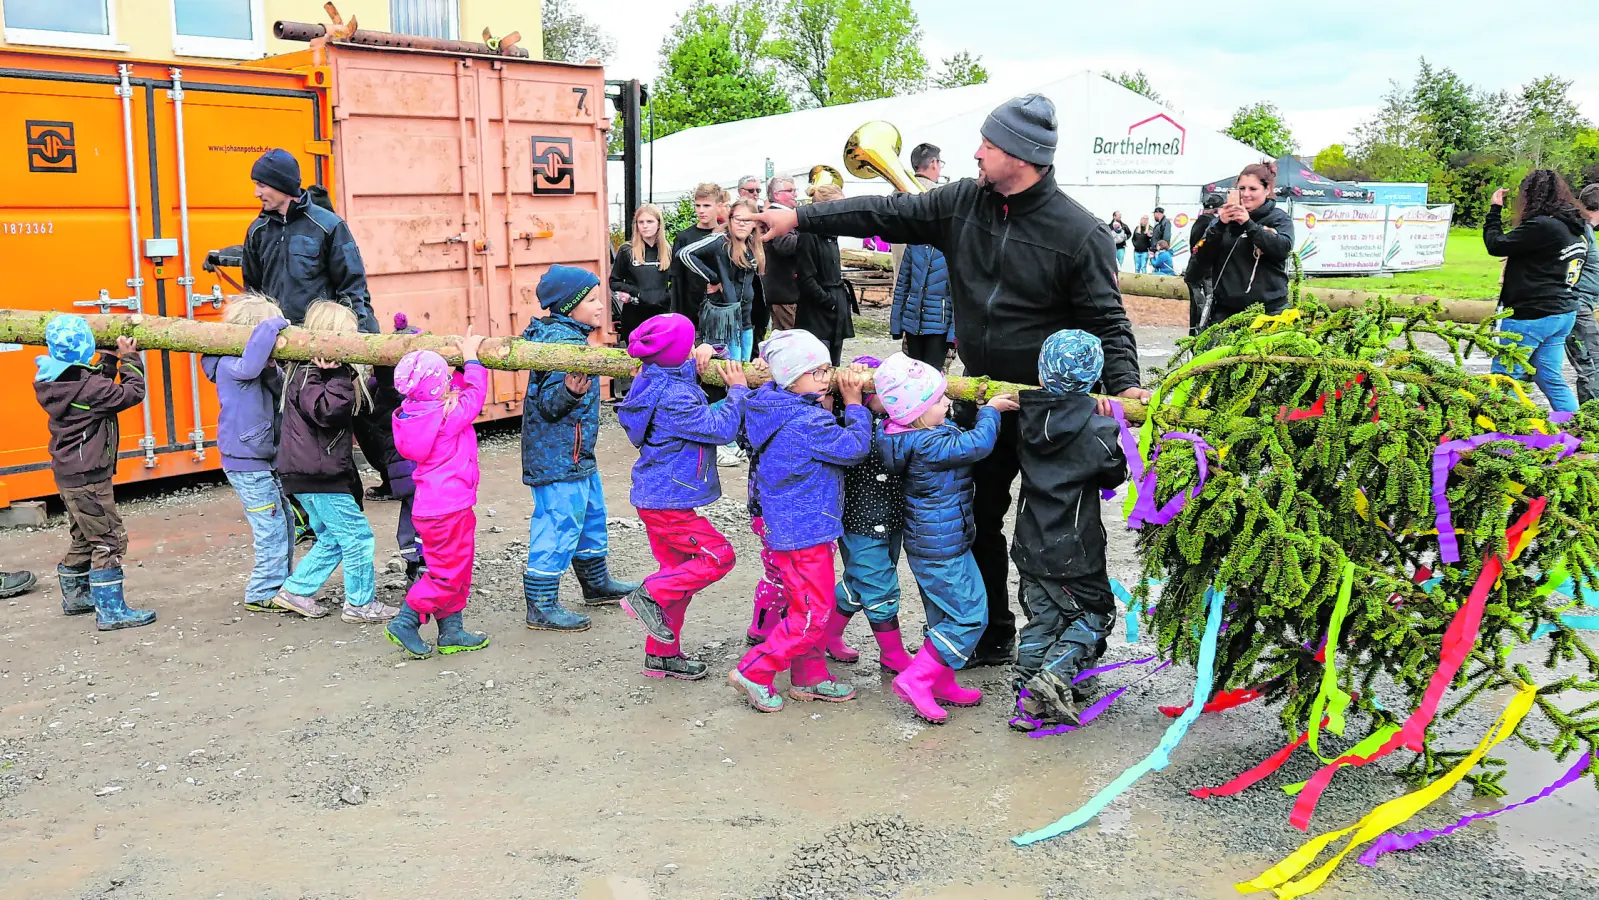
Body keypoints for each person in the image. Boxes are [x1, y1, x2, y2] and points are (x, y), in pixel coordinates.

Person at [753, 93, 1148, 667]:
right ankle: (989, 634)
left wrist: (1127, 383)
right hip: (975, 397)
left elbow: (1108, 321)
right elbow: (884, 212)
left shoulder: (1079, 233)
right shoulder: (963, 202)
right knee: (977, 519)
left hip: (1049, 410)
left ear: (1022, 154)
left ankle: (1056, 641)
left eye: (988, 144)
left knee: (1052, 526)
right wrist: (800, 217)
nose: (977, 153)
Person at [240, 149, 406, 568]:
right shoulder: (257, 232)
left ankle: (401, 492)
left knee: (368, 427)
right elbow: (254, 293)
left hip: (332, 349)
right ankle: (322, 522)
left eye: (262, 183)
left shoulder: (327, 227)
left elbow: (354, 287)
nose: (257, 191)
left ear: (282, 185)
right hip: (287, 357)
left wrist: (356, 349)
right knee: (304, 441)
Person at [729, 330, 872, 713]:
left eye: (827, 369)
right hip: (804, 532)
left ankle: (810, 677)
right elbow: (855, 448)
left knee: (806, 608)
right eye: (819, 372)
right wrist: (855, 404)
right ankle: (754, 671)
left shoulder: (770, 404)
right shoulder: (806, 422)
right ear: (792, 379)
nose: (828, 377)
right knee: (813, 614)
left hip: (792, 527)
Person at [876, 354, 1016, 723]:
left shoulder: (908, 435)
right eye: (939, 401)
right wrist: (991, 412)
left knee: (943, 615)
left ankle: (941, 679)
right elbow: (977, 446)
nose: (948, 403)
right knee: (970, 615)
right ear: (919, 412)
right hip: (942, 547)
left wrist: (960, 411)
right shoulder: (928, 446)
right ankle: (917, 679)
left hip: (934, 542)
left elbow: (952, 431)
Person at [615, 315, 750, 680]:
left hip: (660, 495)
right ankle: (648, 595)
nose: (694, 351)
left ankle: (662, 655)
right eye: (690, 346)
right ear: (676, 354)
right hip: (667, 502)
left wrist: (707, 351)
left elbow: (679, 375)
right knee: (718, 556)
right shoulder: (674, 398)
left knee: (680, 577)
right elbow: (720, 429)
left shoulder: (654, 376)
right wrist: (737, 391)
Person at [1009, 330, 1127, 731]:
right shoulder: (1098, 432)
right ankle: (1051, 679)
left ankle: (1026, 698)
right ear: (1095, 378)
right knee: (1097, 614)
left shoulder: (1025, 417)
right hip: (1074, 549)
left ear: (1041, 376)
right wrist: (1111, 426)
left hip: (1029, 543)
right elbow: (1115, 474)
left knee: (1043, 618)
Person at [520, 265, 641, 632]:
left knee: (590, 517)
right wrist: (570, 391)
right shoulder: (561, 345)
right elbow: (548, 406)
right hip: (557, 458)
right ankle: (540, 602)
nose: (601, 305)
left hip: (576, 456)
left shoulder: (572, 337)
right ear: (569, 307)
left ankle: (595, 582)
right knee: (558, 524)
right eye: (591, 300)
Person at [270, 302, 395, 623]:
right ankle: (360, 604)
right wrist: (339, 373)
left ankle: (296, 590)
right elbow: (328, 412)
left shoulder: (306, 371)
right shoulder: (315, 373)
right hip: (319, 475)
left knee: (333, 538)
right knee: (356, 537)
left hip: (309, 472)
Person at [33, 316, 156, 630]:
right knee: (108, 541)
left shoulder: (56, 380)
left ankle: (77, 597)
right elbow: (131, 393)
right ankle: (111, 611)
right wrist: (129, 358)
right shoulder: (90, 389)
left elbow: (93, 384)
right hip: (89, 477)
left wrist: (110, 360)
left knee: (84, 538)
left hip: (69, 475)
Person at [384, 338, 492, 659]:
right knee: (448, 573)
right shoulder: (448, 416)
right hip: (451, 509)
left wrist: (453, 371)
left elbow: (449, 391)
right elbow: (474, 394)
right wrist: (471, 360)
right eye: (446, 378)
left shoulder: (415, 413)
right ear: (438, 386)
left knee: (450, 567)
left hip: (430, 509)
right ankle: (406, 620)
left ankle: (452, 630)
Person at [201, 294, 292, 613]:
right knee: (270, 526)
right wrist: (273, 325)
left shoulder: (254, 366)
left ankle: (281, 583)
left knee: (283, 521)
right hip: (246, 460)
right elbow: (251, 364)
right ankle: (263, 589)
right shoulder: (229, 365)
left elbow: (280, 388)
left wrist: (272, 367)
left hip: (263, 457)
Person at [824, 356, 914, 674]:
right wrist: (851, 401)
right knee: (880, 586)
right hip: (859, 522)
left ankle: (827, 635)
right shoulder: (845, 423)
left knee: (858, 581)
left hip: (889, 520)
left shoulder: (899, 419)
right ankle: (893, 654)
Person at [1483, 170, 1588, 414]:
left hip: (1531, 313)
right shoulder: (1573, 228)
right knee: (1549, 378)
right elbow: (1547, 258)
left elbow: (1496, 244)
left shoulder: (1542, 225)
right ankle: (1576, 430)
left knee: (1505, 378)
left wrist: (1494, 210)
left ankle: (1503, 438)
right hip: (1563, 311)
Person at [1190, 162, 1294, 328]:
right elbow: (1199, 260)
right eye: (1241, 188)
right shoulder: (1220, 222)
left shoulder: (1278, 218)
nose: (1246, 194)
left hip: (1269, 311)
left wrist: (1249, 225)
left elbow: (1282, 248)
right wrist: (1220, 226)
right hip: (1226, 313)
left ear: (1267, 190)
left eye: (1253, 189)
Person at [677, 198, 765, 362]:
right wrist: (714, 279)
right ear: (730, 220)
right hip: (724, 321)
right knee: (731, 369)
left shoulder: (755, 245)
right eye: (737, 218)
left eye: (747, 220)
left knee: (745, 367)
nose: (742, 224)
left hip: (746, 321)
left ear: (754, 223)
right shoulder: (720, 241)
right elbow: (684, 254)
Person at [795, 183, 855, 366]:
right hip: (817, 314)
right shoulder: (808, 235)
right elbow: (806, 278)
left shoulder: (832, 234)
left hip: (835, 308)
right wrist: (828, 300)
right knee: (817, 364)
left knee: (834, 362)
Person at [610, 203, 674, 347]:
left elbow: (677, 282)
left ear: (659, 224)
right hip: (635, 314)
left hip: (661, 314)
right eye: (641, 222)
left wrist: (666, 296)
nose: (645, 226)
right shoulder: (627, 250)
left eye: (650, 221)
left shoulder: (667, 250)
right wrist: (635, 292)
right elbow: (614, 282)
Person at [669, 183, 724, 332]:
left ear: (718, 206)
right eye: (698, 206)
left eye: (706, 206)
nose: (701, 210)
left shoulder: (726, 234)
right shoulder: (684, 237)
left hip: (722, 306)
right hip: (691, 308)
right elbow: (677, 279)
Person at [1564, 184, 1599, 405]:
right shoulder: (1581, 230)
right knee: (1592, 364)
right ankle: (1593, 418)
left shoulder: (1587, 231)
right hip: (1577, 305)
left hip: (1584, 304)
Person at [891, 143, 947, 279]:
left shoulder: (895, 192)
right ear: (934, 163)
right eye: (940, 164)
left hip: (900, 278)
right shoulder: (938, 193)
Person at [762, 177, 802, 333]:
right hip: (784, 290)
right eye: (790, 190)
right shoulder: (777, 215)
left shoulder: (778, 214)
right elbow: (784, 246)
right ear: (777, 194)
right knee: (790, 337)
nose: (795, 194)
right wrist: (808, 236)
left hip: (783, 290)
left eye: (794, 190)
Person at [1184, 193, 1224, 335]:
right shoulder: (1210, 224)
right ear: (1217, 210)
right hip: (1204, 273)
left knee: (1198, 308)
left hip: (1198, 271)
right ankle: (1200, 336)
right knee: (1204, 307)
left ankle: (1195, 334)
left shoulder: (1200, 222)